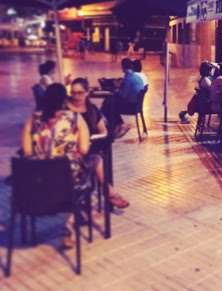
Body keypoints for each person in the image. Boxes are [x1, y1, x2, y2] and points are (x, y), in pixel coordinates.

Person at [21, 83, 92, 249]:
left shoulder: (33, 118)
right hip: (66, 182)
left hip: (38, 182)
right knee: (87, 173)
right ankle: (69, 224)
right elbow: (84, 149)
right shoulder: (75, 118)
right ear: (64, 100)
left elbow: (27, 151)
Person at [67, 78, 129, 209]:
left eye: (80, 93)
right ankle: (110, 194)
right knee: (95, 160)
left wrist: (99, 138)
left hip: (89, 147)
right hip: (72, 150)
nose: (76, 96)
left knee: (95, 158)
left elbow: (102, 130)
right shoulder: (66, 110)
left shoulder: (91, 109)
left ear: (86, 92)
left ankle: (89, 197)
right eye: (73, 93)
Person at [101, 58, 145, 138]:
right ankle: (117, 125)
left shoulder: (128, 78)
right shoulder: (136, 76)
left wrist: (117, 88)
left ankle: (114, 127)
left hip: (131, 106)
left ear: (122, 67)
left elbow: (123, 95)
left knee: (108, 104)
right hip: (137, 105)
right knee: (110, 103)